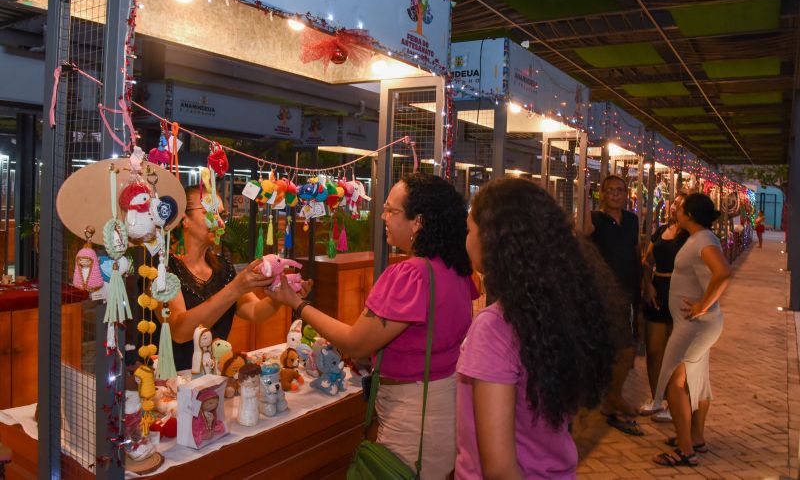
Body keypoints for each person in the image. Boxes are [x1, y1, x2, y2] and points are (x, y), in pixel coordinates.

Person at [266, 172, 476, 479]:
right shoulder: (456, 270)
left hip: (413, 417)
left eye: (391, 211)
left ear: (417, 222)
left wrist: (297, 304)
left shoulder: (411, 275)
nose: (383, 216)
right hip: (446, 405)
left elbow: (354, 342)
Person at [456, 178, 615, 479]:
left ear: (492, 240)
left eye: (469, 230)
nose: (466, 240)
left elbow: (501, 470)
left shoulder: (494, 328)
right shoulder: (560, 310)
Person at [166, 185, 311, 371]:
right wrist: (235, 288)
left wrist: (280, 296)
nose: (219, 222)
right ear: (184, 219)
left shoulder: (221, 268)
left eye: (221, 215)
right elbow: (180, 331)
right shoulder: (163, 269)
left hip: (215, 375)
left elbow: (255, 311)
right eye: (210, 213)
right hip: (173, 381)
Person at [652, 193, 731, 467]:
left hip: (695, 326)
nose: (676, 208)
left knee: (676, 383)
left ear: (690, 215)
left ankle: (686, 451)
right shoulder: (699, 239)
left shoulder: (704, 240)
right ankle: (695, 438)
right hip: (694, 325)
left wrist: (702, 306)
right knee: (697, 381)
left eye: (680, 207)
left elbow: (723, 272)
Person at [585, 174, 643, 435]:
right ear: (603, 194)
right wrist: (585, 193)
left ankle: (611, 397)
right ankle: (611, 397)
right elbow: (582, 232)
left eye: (620, 190)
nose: (616, 194)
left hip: (629, 291)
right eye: (610, 190)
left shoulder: (631, 220)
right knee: (622, 348)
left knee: (623, 348)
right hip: (603, 293)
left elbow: (635, 251)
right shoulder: (595, 220)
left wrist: (646, 281)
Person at [639, 194, 688, 423]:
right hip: (657, 291)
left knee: (675, 354)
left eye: (680, 205)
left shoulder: (690, 235)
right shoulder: (661, 231)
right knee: (654, 350)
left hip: (679, 294)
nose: (674, 206)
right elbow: (647, 260)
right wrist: (647, 284)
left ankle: (674, 401)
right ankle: (656, 398)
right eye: (674, 203)